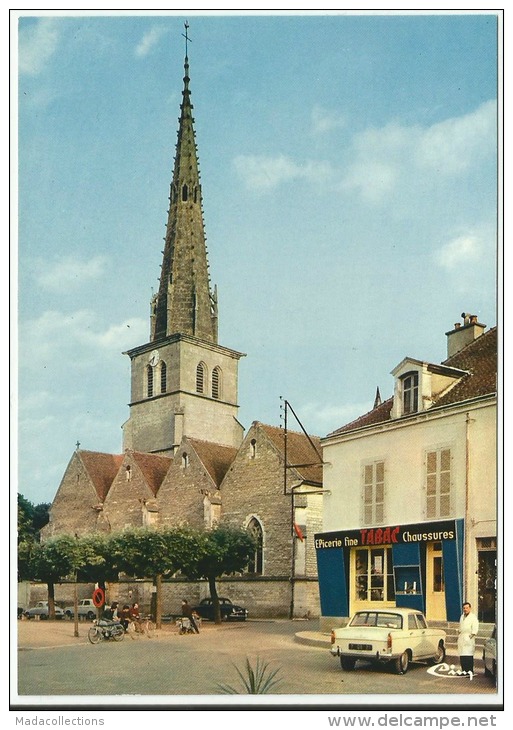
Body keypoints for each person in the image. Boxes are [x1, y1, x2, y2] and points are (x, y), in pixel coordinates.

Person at [458, 601, 479, 673]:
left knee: (468, 656)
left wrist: (470, 637)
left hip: (469, 637)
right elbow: (461, 627)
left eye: (467, 608)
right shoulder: (462, 616)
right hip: (462, 638)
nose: (465, 609)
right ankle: (464, 671)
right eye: (464, 608)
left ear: (470, 608)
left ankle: (470, 671)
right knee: (462, 655)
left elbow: (475, 629)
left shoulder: (473, 617)